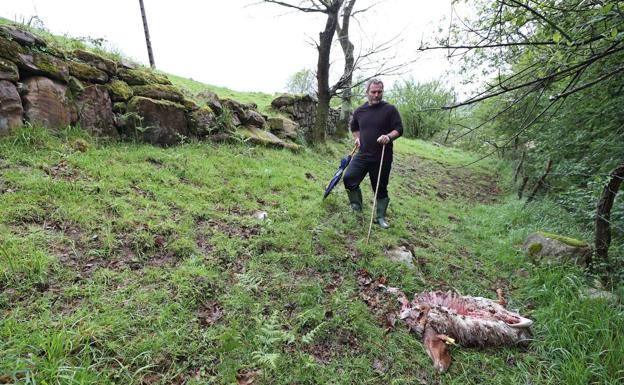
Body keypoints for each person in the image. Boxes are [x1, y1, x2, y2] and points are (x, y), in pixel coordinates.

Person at [343, 78, 403, 228]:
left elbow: (399, 129)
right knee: (349, 178)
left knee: (380, 188)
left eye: (379, 92)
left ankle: (380, 217)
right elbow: (354, 127)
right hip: (363, 154)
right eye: (373, 92)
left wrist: (388, 137)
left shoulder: (390, 110)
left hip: (382, 156)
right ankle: (356, 206)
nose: (376, 95)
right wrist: (358, 139)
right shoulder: (360, 111)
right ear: (367, 92)